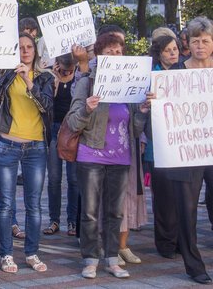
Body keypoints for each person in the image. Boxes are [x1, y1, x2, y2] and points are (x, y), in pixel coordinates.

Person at [66, 32, 148, 279]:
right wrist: (88, 109)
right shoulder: (87, 83)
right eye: (109, 51)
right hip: (91, 154)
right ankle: (90, 259)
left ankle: (112, 259)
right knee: (90, 211)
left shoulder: (131, 86)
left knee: (115, 212)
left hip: (121, 158)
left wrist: (142, 111)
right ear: (99, 56)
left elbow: (134, 129)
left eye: (119, 51)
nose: (115, 55)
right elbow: (72, 120)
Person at [157, 16, 213, 284]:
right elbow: (165, 114)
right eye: (195, 41)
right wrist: (152, 104)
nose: (200, 45)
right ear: (187, 43)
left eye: (205, 40)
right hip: (187, 151)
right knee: (187, 210)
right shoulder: (175, 74)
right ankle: (194, 265)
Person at [0, 32, 53, 273]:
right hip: (7, 145)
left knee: (34, 205)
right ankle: (6, 254)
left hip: (36, 147)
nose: (25, 51)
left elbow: (46, 107)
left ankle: (31, 252)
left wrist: (29, 81)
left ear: (35, 51)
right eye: (20, 48)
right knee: (6, 204)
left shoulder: (45, 78)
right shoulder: (5, 76)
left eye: (29, 47)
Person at [144, 35, 180, 260]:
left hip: (181, 144)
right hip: (158, 146)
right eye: (168, 50)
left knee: (182, 198)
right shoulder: (150, 78)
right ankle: (166, 243)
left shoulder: (185, 74)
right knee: (164, 197)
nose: (173, 53)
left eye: (175, 49)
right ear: (159, 53)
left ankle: (181, 241)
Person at [43, 54, 78, 237]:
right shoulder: (51, 77)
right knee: (54, 178)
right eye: (64, 70)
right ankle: (54, 219)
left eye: (70, 71)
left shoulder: (79, 78)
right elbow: (48, 103)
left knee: (73, 179)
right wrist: (56, 80)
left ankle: (72, 220)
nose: (67, 74)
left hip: (72, 130)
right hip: (54, 130)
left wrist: (72, 78)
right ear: (57, 66)